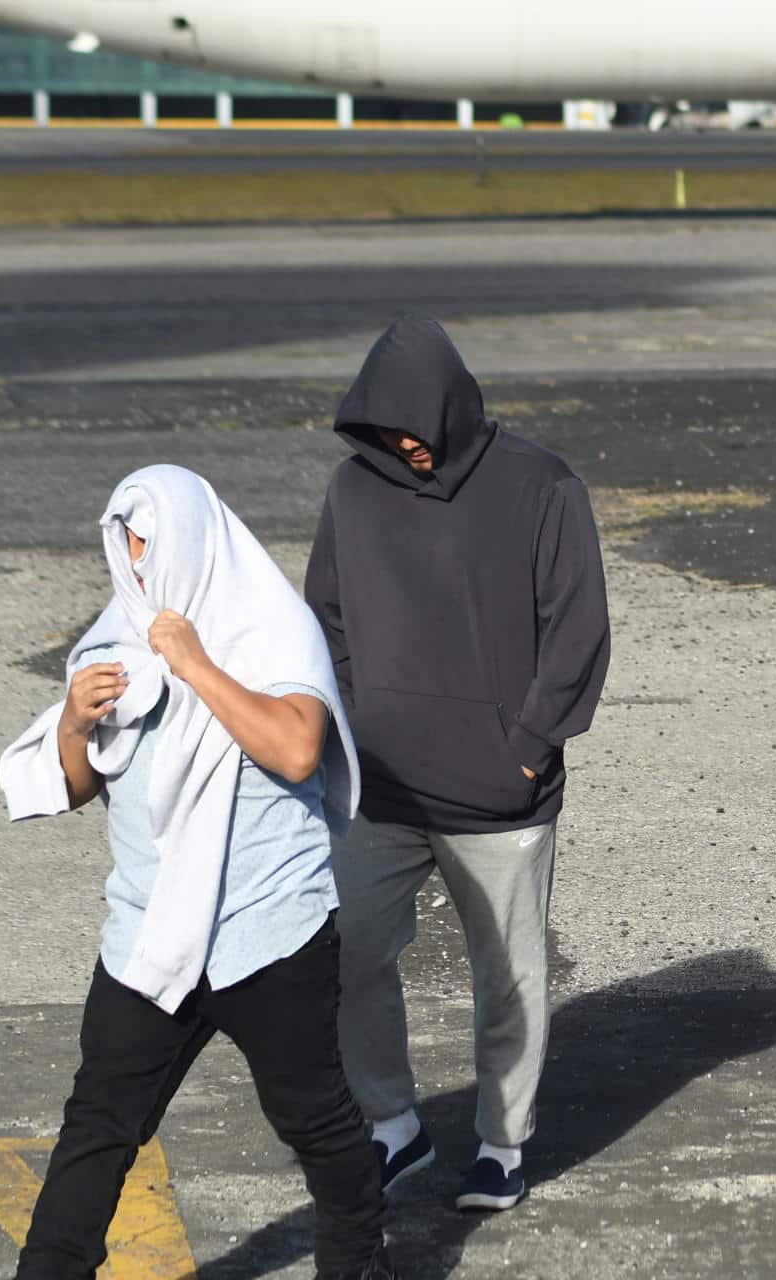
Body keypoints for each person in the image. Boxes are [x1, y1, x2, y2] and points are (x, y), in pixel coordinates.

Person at [0, 465, 388, 1280]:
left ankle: (358, 1262)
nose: (136, 563)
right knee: (98, 1126)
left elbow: (296, 746)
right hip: (150, 931)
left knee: (314, 1121)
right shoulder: (116, 638)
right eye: (124, 544)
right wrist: (74, 720)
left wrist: (197, 664)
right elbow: (73, 786)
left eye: (148, 542)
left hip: (267, 932)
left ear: (190, 537)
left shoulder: (272, 628)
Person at [306, 316, 612, 1211]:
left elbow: (579, 632)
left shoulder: (541, 484)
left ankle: (501, 1147)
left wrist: (525, 750)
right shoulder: (352, 491)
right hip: (380, 789)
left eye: (417, 425)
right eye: (386, 428)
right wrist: (353, 727)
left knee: (508, 979)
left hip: (501, 796)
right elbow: (324, 619)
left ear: (453, 409)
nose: (405, 444)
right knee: (347, 956)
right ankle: (393, 1131)